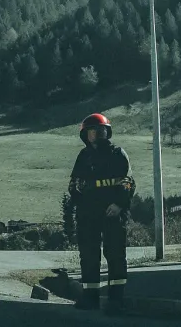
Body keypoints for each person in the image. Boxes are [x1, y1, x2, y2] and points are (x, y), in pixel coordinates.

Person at [67, 112, 135, 315]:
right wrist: (78, 201)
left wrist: (119, 205)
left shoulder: (118, 154)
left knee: (115, 254)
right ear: (85, 135)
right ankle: (90, 297)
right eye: (92, 131)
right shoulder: (83, 157)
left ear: (108, 132)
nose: (96, 135)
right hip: (88, 214)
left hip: (113, 212)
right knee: (88, 256)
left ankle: (116, 299)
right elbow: (73, 184)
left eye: (101, 131)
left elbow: (128, 182)